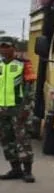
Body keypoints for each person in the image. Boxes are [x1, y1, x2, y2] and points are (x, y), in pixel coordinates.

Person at [0, 40, 34, 183]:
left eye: (7, 47)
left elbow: (29, 88)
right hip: (3, 109)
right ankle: (15, 169)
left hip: (18, 108)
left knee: (22, 139)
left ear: (14, 48)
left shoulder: (23, 64)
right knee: (7, 140)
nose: (4, 50)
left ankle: (27, 171)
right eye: (2, 47)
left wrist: (25, 109)